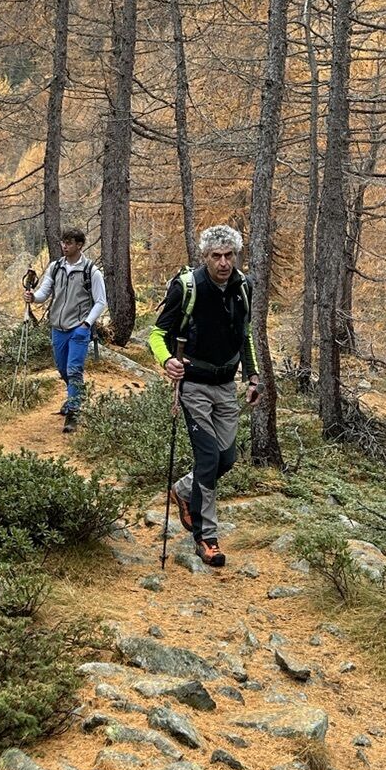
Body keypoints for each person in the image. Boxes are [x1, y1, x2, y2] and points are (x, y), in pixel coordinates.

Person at [148, 224, 260, 567]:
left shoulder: (243, 286)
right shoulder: (188, 287)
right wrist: (167, 361)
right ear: (205, 257)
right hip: (193, 385)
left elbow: (245, 335)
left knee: (226, 460)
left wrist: (252, 376)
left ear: (236, 255)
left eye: (229, 255)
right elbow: (156, 334)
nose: (223, 263)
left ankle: (183, 490)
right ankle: (206, 538)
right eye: (216, 256)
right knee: (209, 459)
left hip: (226, 386)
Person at [26, 228, 107, 432]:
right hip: (58, 328)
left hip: (78, 329)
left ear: (79, 245)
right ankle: (76, 394)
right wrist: (33, 297)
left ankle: (73, 412)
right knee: (62, 369)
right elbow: (44, 293)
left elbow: (100, 302)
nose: (64, 246)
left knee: (73, 369)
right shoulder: (55, 267)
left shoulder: (91, 271)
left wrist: (86, 324)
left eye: (69, 243)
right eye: (63, 242)